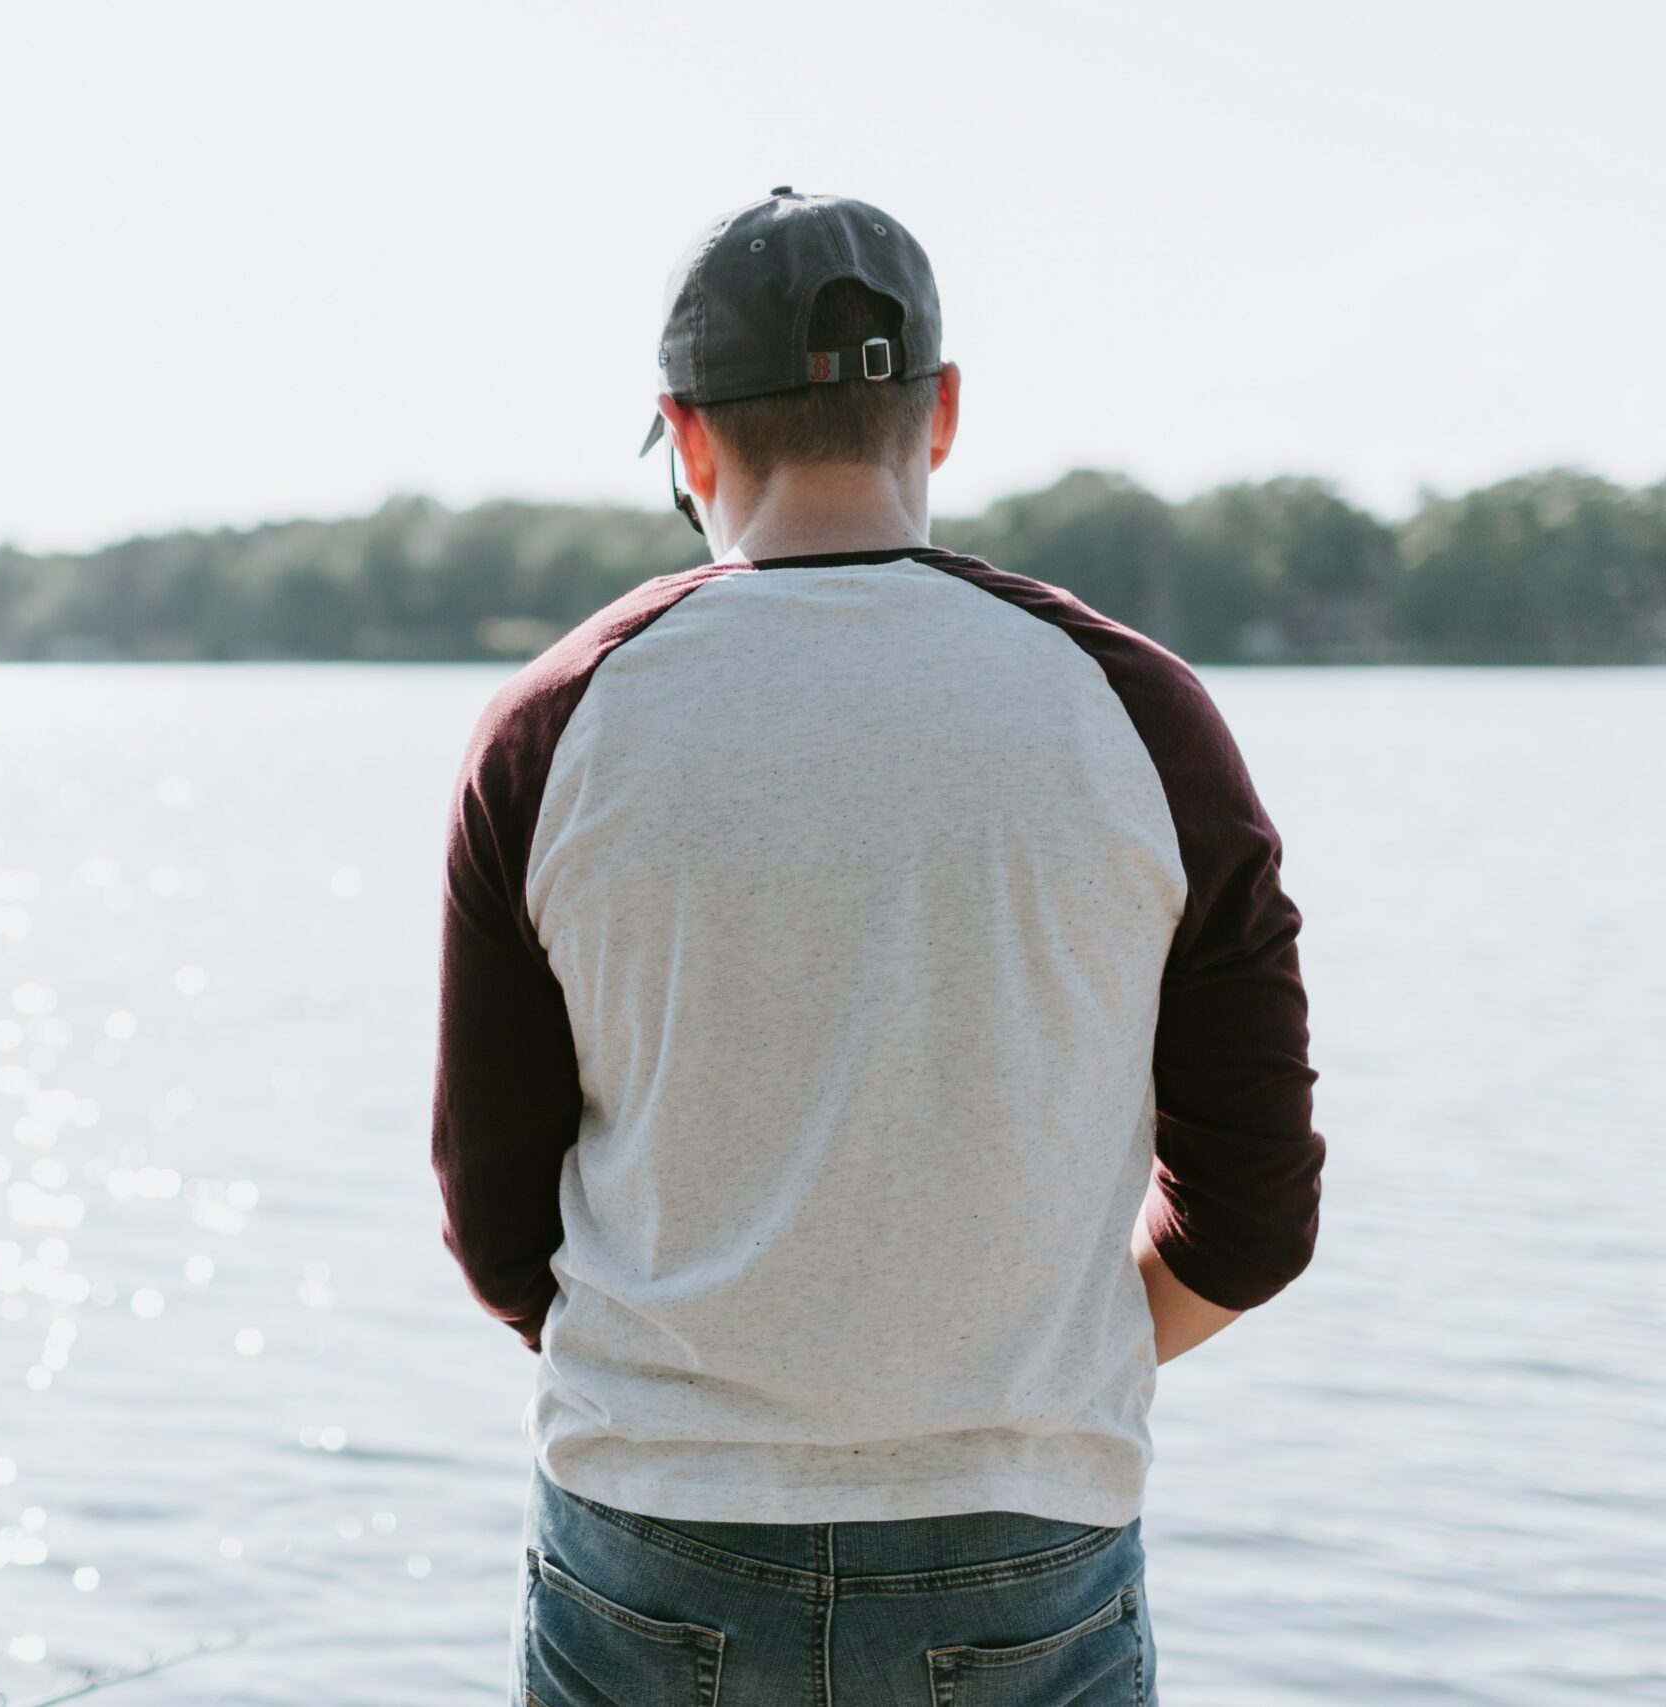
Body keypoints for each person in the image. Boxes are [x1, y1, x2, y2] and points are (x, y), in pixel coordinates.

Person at [433, 190, 1323, 1706]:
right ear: (945, 411)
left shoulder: (554, 726)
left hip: (653, 1540)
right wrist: (1033, 1369)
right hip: (1026, 1539)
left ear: (687, 436)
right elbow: (1256, 1210)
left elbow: (498, 1220)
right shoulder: (1141, 714)